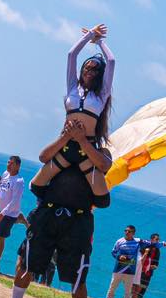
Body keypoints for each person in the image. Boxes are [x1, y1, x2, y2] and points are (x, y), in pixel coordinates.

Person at [0, 118, 109, 298]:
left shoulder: (100, 151)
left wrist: (83, 142)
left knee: (79, 275)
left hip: (79, 218)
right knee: (26, 262)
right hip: (47, 211)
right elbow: (43, 156)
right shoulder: (61, 146)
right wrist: (67, 137)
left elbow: (104, 166)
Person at [29, 24, 114, 199]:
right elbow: (72, 55)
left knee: (102, 198)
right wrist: (89, 35)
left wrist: (99, 42)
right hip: (66, 143)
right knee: (36, 186)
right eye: (87, 67)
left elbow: (111, 61)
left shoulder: (101, 95)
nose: (89, 71)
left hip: (87, 146)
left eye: (95, 69)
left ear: (100, 74)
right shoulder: (73, 88)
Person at [0, 155, 26, 273]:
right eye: (8, 162)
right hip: (0, 208)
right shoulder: (5, 174)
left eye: (12, 163)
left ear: (18, 166)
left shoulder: (18, 181)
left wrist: (2, 214)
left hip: (9, 213)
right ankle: (19, 218)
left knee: (0, 238)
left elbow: (14, 201)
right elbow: (1, 189)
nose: (8, 165)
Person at [128, 233, 166, 298]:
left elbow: (156, 264)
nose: (158, 241)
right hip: (139, 271)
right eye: (156, 239)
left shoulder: (157, 251)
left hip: (147, 274)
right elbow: (139, 258)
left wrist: (151, 267)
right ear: (151, 239)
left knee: (141, 292)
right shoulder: (144, 246)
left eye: (158, 240)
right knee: (132, 289)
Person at [106, 224, 147, 298]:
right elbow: (113, 252)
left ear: (133, 233)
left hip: (130, 271)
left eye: (129, 231)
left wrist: (163, 243)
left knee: (128, 291)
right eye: (125, 230)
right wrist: (119, 257)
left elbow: (152, 243)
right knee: (112, 288)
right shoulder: (119, 241)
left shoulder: (138, 242)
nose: (127, 232)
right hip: (118, 269)